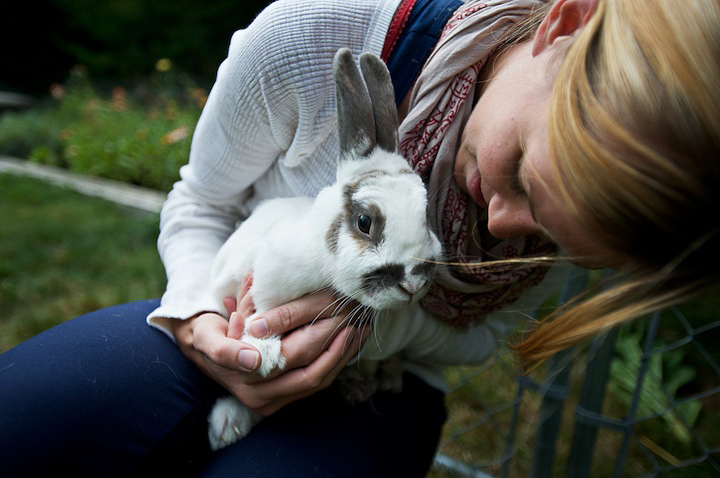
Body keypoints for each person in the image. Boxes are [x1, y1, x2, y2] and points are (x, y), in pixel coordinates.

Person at [1, 0, 717, 475]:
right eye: (522, 175)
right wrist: (198, 318)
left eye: (555, 239)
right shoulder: (310, 35)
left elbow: (485, 336)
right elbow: (198, 205)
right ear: (563, 23)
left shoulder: (599, 204)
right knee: (35, 417)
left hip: (384, 383)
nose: (501, 227)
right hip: (229, 318)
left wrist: (373, 332)